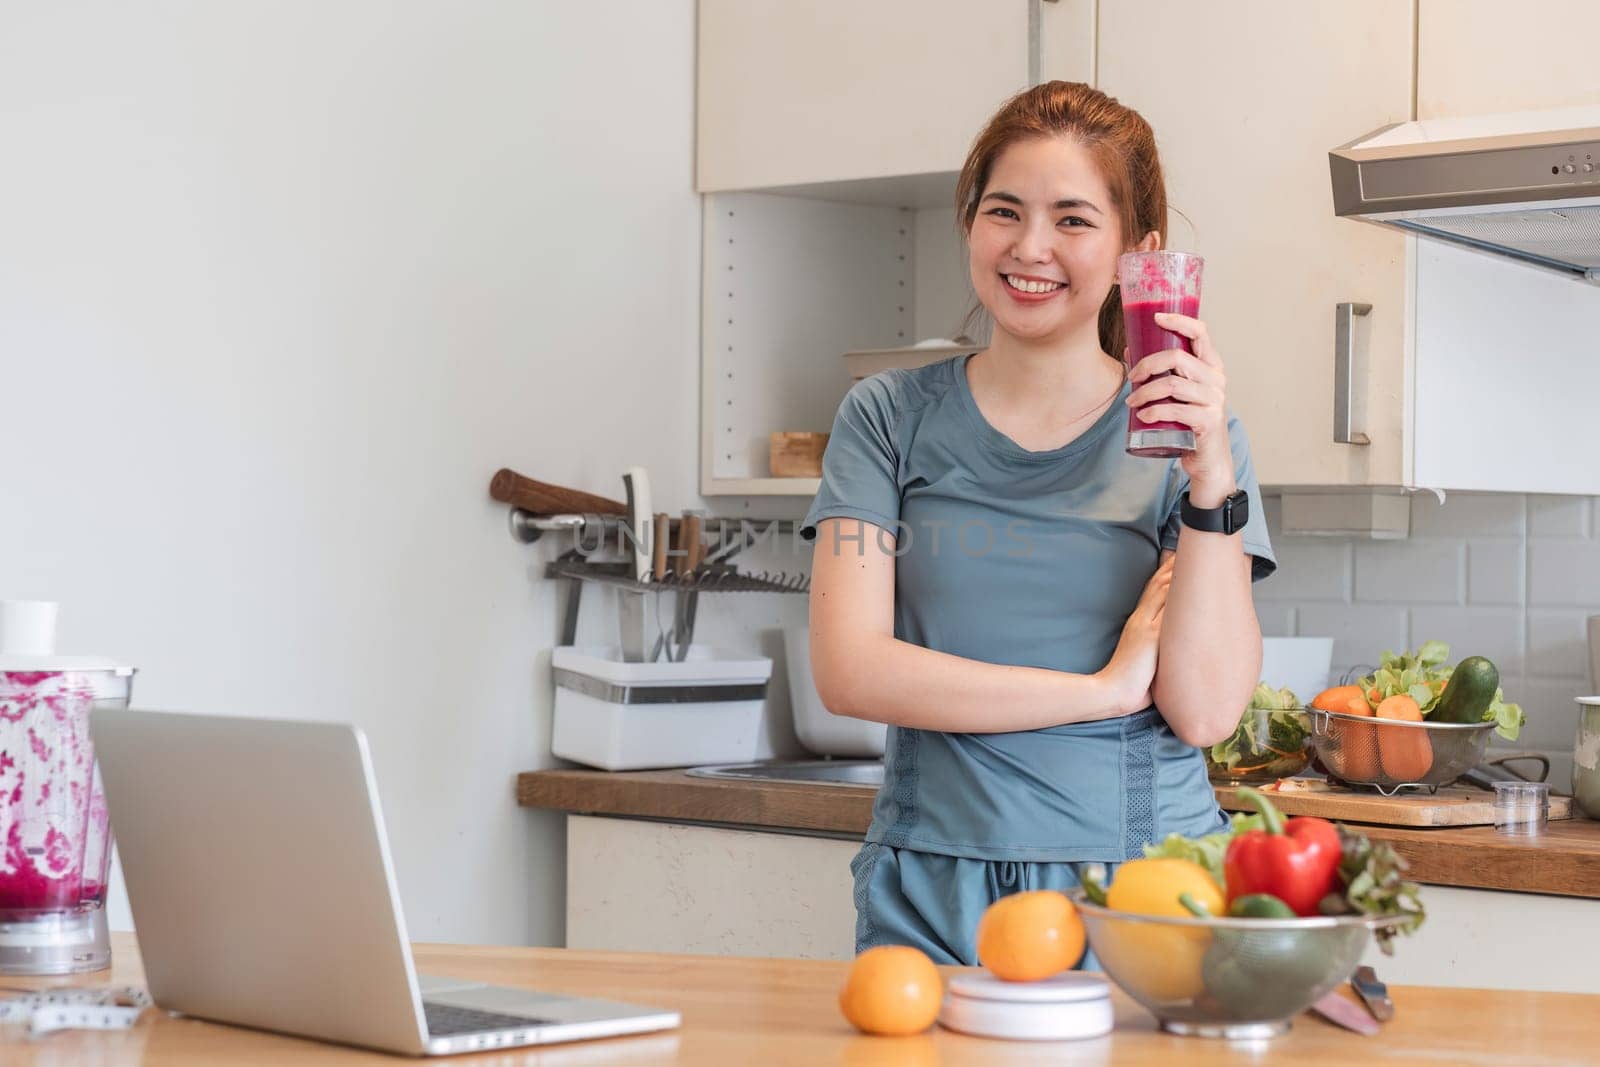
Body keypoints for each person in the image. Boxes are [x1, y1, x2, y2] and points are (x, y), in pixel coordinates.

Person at [800, 81, 1276, 966]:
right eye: (1004, 211)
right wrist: (1100, 690)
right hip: (934, 886)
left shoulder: (1198, 441)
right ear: (971, 222)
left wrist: (1210, 479)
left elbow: (1205, 708)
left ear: (1142, 252)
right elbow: (850, 669)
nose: (1030, 248)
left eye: (1073, 219)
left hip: (1147, 892)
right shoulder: (886, 419)